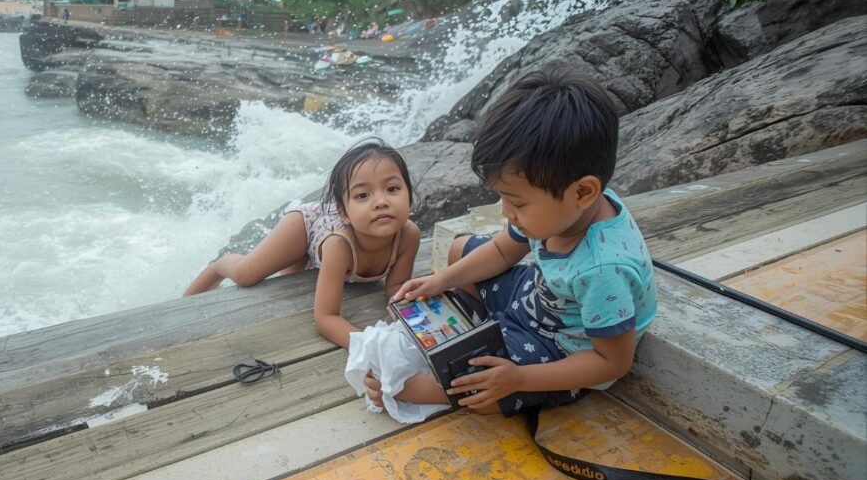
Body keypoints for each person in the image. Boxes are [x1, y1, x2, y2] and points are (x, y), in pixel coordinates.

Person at [365, 68, 657, 416]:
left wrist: (519, 378)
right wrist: (443, 279)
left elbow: (611, 363)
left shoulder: (602, 270)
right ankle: (475, 330)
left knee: (482, 389)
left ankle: (407, 387)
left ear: (582, 191)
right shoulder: (567, 209)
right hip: (539, 295)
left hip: (558, 349)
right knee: (459, 250)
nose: (506, 212)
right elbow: (504, 250)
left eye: (516, 202)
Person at [183, 138, 421, 348]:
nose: (381, 201)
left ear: (408, 194)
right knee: (246, 274)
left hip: (326, 241)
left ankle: (301, 257)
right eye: (362, 195)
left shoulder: (408, 235)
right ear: (344, 213)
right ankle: (217, 268)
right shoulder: (339, 245)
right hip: (306, 226)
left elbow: (396, 286)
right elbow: (325, 317)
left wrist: (412, 319)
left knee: (289, 282)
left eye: (392, 189)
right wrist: (370, 346)